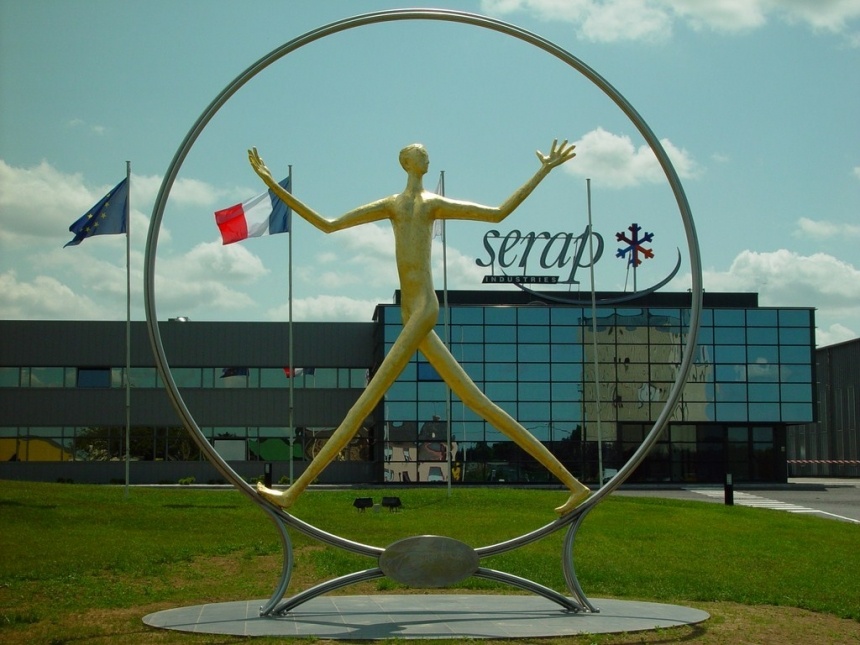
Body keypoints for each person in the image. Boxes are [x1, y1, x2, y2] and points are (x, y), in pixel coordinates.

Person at [248, 140, 590, 514]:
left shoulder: (432, 204)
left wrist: (542, 171)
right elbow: (328, 224)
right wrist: (273, 185)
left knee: (363, 405)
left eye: (427, 153)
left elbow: (497, 214)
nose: (427, 156)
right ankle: (575, 485)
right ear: (406, 161)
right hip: (410, 312)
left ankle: (293, 493)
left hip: (424, 309)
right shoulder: (392, 205)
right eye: (420, 153)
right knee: (479, 403)